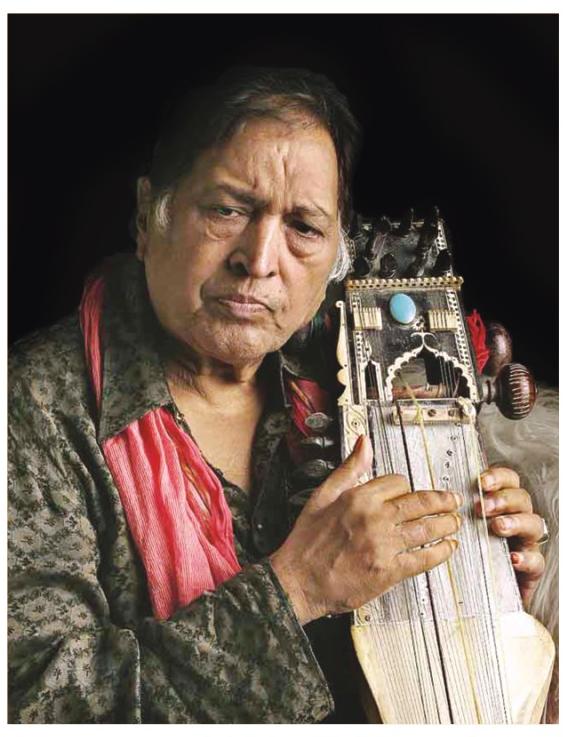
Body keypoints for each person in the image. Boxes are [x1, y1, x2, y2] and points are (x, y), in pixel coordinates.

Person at [8, 67, 549, 723]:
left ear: (337, 258)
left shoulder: (355, 381)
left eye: (303, 227)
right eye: (227, 210)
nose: (260, 259)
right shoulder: (32, 406)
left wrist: (471, 576)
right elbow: (37, 705)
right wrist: (296, 589)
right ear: (149, 217)